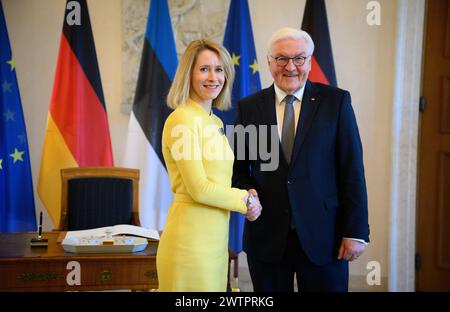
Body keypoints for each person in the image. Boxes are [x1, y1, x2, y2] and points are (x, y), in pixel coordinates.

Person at [232, 27, 369, 292]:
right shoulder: (248, 107)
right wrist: (246, 192)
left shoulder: (336, 102)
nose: (291, 67)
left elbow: (352, 170)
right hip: (267, 237)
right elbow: (237, 169)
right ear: (269, 62)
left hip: (325, 236)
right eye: (281, 58)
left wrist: (356, 230)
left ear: (309, 61)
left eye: (299, 58)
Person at [156, 39, 262, 292]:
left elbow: (219, 180)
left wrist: (249, 193)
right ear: (188, 74)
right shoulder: (182, 119)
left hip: (214, 241)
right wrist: (244, 199)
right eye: (204, 69)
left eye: (219, 69)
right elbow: (199, 188)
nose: (213, 77)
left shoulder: (213, 121)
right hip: (189, 244)